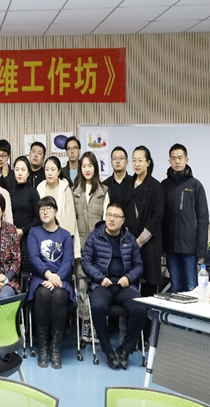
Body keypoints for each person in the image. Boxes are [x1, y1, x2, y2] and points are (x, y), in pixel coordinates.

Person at [82, 202, 147, 370]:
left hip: (124, 286)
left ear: (123, 220)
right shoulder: (95, 237)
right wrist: (99, 277)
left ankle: (125, 350)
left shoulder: (130, 239)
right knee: (97, 307)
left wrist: (128, 277)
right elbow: (86, 262)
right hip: (103, 284)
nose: (111, 219)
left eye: (116, 216)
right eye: (109, 215)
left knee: (141, 309)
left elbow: (139, 266)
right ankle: (108, 352)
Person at [27, 196, 75, 369]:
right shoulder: (34, 233)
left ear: (55, 211)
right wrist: (48, 275)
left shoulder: (65, 235)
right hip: (40, 278)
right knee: (42, 294)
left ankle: (55, 347)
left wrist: (56, 278)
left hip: (61, 279)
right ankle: (43, 347)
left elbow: (68, 261)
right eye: (41, 209)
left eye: (48, 208)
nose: (45, 211)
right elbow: (34, 258)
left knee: (60, 295)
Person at [161, 143, 209, 293]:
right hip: (171, 248)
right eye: (173, 158)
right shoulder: (164, 186)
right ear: (169, 161)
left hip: (190, 249)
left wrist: (201, 251)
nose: (177, 161)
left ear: (186, 159)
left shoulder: (195, 185)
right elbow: (160, 218)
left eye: (180, 158)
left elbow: (203, 219)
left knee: (191, 288)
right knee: (175, 288)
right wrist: (161, 248)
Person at [73, 151, 109, 343]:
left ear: (95, 167)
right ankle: (85, 323)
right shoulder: (74, 191)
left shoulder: (103, 191)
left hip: (99, 249)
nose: (87, 169)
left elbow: (107, 221)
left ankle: (96, 324)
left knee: (97, 288)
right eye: (84, 166)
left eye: (90, 165)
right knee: (81, 288)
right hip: (79, 247)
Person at [123, 146, 164, 297]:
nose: (137, 164)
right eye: (134, 160)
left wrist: (140, 240)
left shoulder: (156, 187)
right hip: (129, 242)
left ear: (148, 162)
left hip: (149, 243)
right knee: (129, 284)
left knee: (149, 286)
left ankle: (149, 314)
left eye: (140, 160)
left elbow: (157, 217)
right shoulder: (127, 185)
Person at [10, 157, 41, 280]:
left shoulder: (33, 192)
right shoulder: (10, 192)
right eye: (17, 169)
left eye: (23, 170)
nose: (20, 173)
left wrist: (23, 230)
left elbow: (38, 218)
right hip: (12, 237)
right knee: (12, 273)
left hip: (28, 237)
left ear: (28, 173)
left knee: (26, 274)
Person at [37, 156, 77, 237]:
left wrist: (65, 236)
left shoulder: (65, 189)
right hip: (42, 234)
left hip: (62, 235)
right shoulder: (40, 188)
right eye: (47, 169)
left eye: (53, 169)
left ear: (59, 171)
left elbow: (70, 216)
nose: (49, 173)